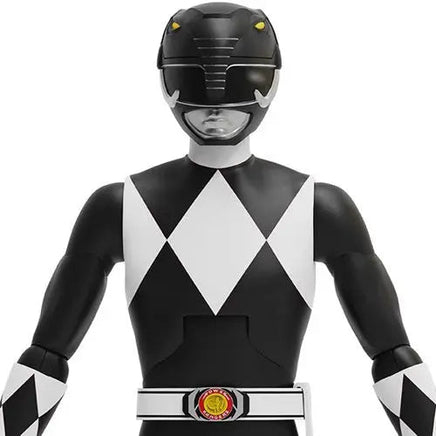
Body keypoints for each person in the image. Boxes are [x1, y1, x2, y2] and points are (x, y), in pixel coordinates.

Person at [1, 3, 435, 436]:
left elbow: (391, 351)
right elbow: (48, 353)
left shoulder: (318, 206)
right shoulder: (119, 205)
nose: (215, 111)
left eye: (233, 90)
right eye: (200, 88)